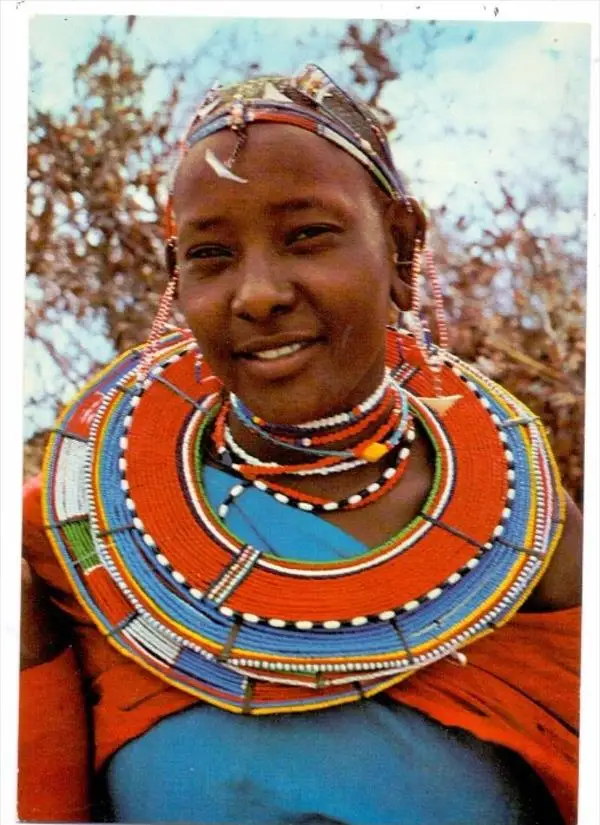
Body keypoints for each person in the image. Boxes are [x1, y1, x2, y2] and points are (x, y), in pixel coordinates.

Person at [19, 65, 583, 825]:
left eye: (308, 236)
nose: (258, 294)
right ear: (176, 278)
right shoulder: (71, 541)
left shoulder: (528, 534)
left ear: (402, 248)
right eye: (211, 254)